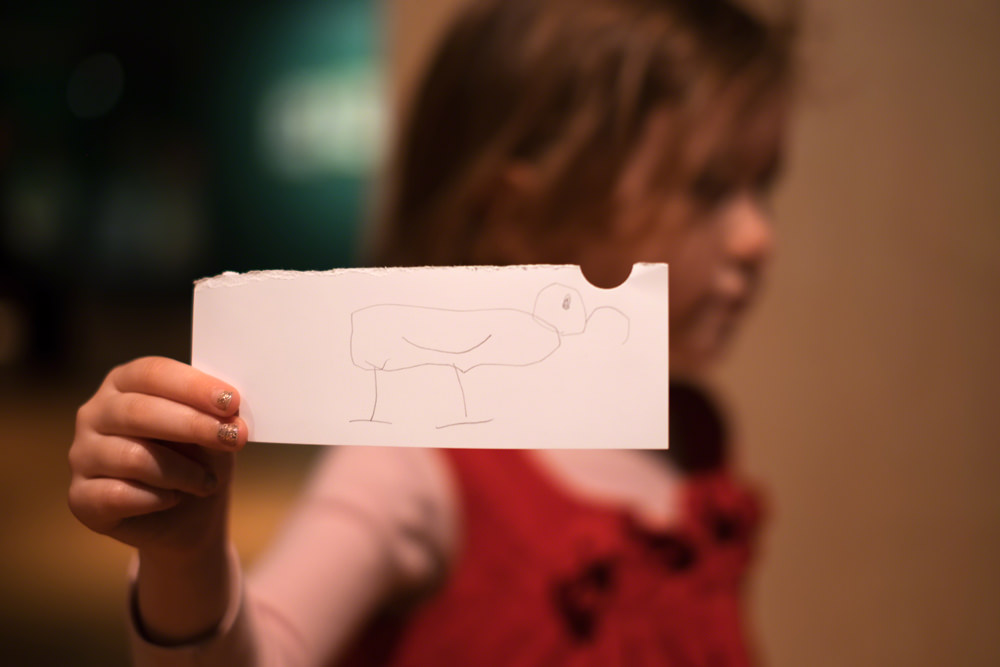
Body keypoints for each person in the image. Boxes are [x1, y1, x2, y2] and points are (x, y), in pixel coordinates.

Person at [68, 0, 796, 664]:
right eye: (709, 187)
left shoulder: (694, 432)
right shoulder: (417, 465)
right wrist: (186, 559)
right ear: (518, 210)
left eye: (763, 185)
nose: (757, 237)